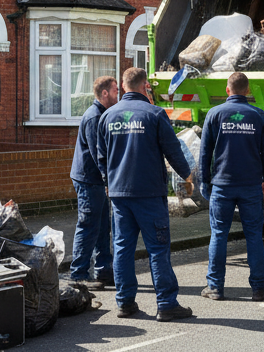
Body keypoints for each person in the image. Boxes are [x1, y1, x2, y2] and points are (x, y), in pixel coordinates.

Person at [95, 67, 194, 322]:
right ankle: (167, 303)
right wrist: (188, 176)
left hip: (119, 194)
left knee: (122, 248)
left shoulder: (107, 116)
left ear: (125, 87)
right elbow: (173, 149)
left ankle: (125, 303)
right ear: (144, 86)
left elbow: (101, 156)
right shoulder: (154, 114)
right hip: (149, 193)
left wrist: (108, 182)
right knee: (158, 249)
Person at [199, 72, 264, 301]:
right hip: (251, 185)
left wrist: (204, 180)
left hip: (222, 184)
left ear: (227, 90)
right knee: (253, 235)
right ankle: (259, 288)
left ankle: (215, 287)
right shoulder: (258, 116)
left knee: (219, 234)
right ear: (248, 91)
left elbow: (205, 152)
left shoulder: (215, 114)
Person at [69, 75, 120, 290]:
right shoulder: (94, 117)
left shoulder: (102, 114)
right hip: (89, 180)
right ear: (105, 93)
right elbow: (98, 153)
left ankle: (103, 271)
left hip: (95, 181)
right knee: (88, 226)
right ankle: (79, 273)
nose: (119, 94)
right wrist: (108, 179)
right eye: (116, 90)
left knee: (102, 227)